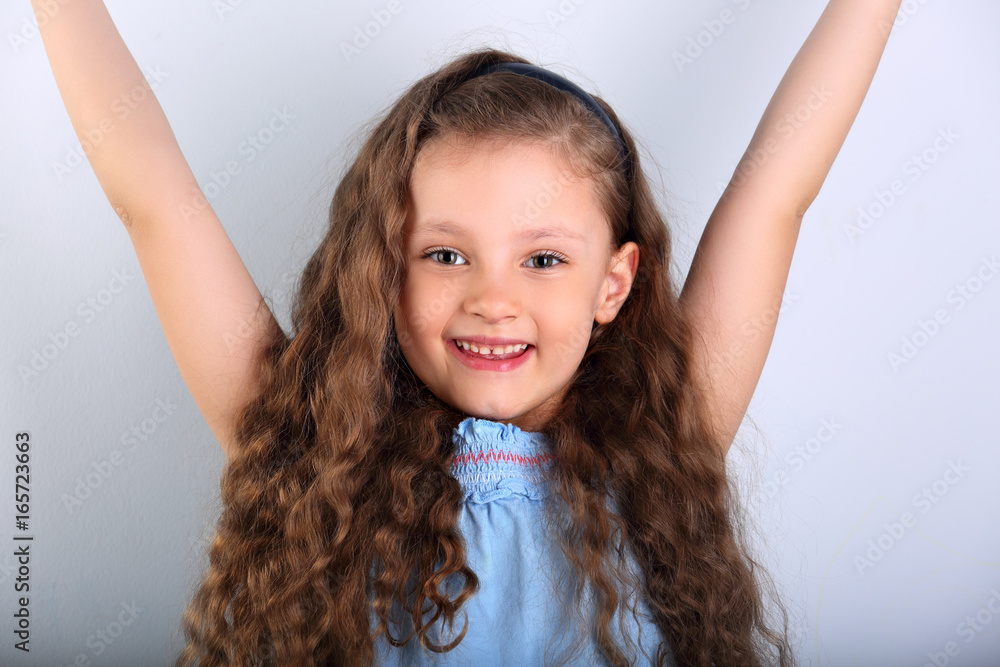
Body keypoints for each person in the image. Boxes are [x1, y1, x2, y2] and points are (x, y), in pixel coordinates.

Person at [32, 0, 904, 664]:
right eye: (446, 254)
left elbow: (776, 192)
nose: (494, 297)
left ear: (614, 283)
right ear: (384, 267)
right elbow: (153, 198)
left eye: (544, 260)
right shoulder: (316, 447)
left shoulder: (664, 446)